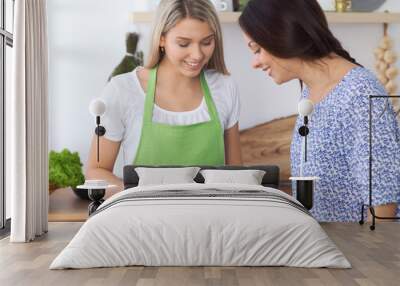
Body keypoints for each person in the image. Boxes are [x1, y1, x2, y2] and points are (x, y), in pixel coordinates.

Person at [239, 0, 400, 222]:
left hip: (356, 253)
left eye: (257, 49)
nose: (254, 63)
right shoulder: (310, 91)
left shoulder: (359, 94)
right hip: (325, 248)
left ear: (283, 34)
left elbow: (384, 205)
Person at [86, 0, 243, 189]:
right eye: (184, 43)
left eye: (207, 42)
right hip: (145, 215)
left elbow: (236, 175)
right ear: (161, 39)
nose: (197, 55)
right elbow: (96, 173)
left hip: (211, 216)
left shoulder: (224, 87)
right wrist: (140, 194)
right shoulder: (123, 90)